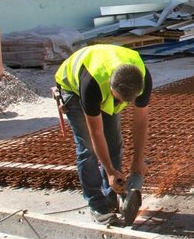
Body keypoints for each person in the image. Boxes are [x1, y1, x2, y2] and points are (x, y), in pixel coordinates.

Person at [55, 44, 151, 226]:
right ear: (111, 86)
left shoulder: (143, 79)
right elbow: (95, 132)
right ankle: (97, 204)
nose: (122, 104)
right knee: (88, 149)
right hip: (73, 89)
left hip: (105, 82)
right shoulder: (92, 84)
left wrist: (138, 160)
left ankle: (113, 194)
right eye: (119, 100)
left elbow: (140, 121)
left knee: (114, 141)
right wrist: (108, 170)